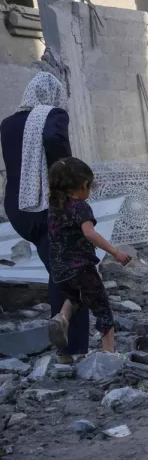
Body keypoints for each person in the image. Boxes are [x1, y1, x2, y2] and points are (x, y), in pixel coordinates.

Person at [0, 72, 91, 362]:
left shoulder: (8, 124)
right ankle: (69, 346)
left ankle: (64, 333)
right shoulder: (53, 115)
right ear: (53, 94)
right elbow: (53, 139)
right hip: (49, 206)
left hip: (19, 209)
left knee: (59, 266)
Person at [45, 158, 131, 353]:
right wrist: (116, 252)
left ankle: (61, 318)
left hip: (59, 270)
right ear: (84, 185)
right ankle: (109, 355)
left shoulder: (54, 208)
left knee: (75, 298)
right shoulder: (80, 207)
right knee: (103, 311)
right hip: (81, 268)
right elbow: (89, 233)